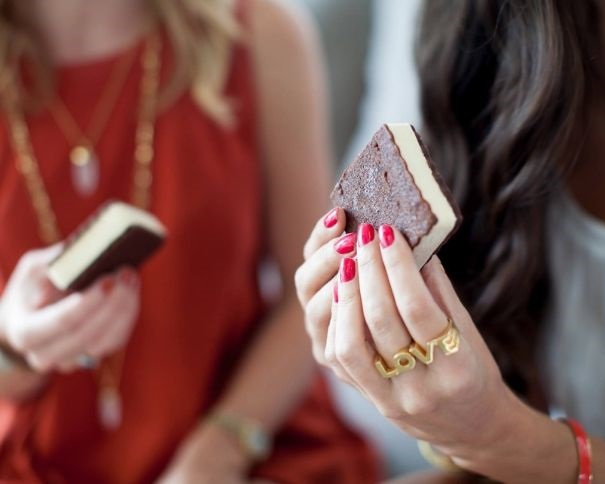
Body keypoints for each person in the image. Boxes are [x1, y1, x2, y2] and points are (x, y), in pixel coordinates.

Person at [295, 0, 605, 482]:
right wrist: (449, 420)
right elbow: (493, 426)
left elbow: (508, 443)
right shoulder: (480, 63)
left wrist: (504, 440)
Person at [0, 0, 377, 482]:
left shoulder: (259, 34)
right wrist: (14, 343)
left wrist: (220, 448)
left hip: (248, 438)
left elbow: (315, 291)